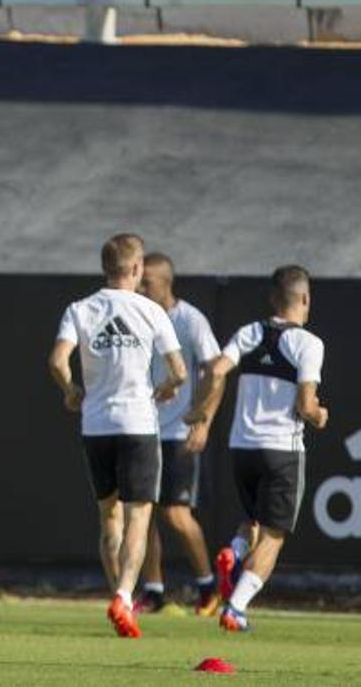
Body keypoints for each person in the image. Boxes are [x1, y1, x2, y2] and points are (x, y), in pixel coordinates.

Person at [48, 233, 186, 638]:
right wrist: (169, 388)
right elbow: (178, 369)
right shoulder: (150, 310)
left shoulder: (81, 309)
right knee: (138, 517)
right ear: (136, 268)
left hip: (96, 425)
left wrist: (71, 390)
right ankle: (125, 596)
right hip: (138, 424)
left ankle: (118, 598)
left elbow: (57, 360)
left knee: (109, 518)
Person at [184, 265, 328, 632]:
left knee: (251, 522)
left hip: (242, 447)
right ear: (305, 299)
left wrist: (199, 410)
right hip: (282, 450)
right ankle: (236, 607)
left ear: (272, 299)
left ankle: (233, 551)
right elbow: (305, 405)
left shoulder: (249, 332)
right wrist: (320, 416)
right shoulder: (308, 344)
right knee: (274, 535)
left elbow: (216, 370)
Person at [134, 253, 221, 616]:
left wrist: (202, 422)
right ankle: (153, 592)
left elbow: (216, 372)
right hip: (142, 428)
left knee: (176, 514)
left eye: (147, 282)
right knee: (143, 513)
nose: (141, 288)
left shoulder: (190, 320)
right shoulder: (137, 316)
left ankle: (209, 587)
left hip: (178, 434)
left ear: (166, 283)